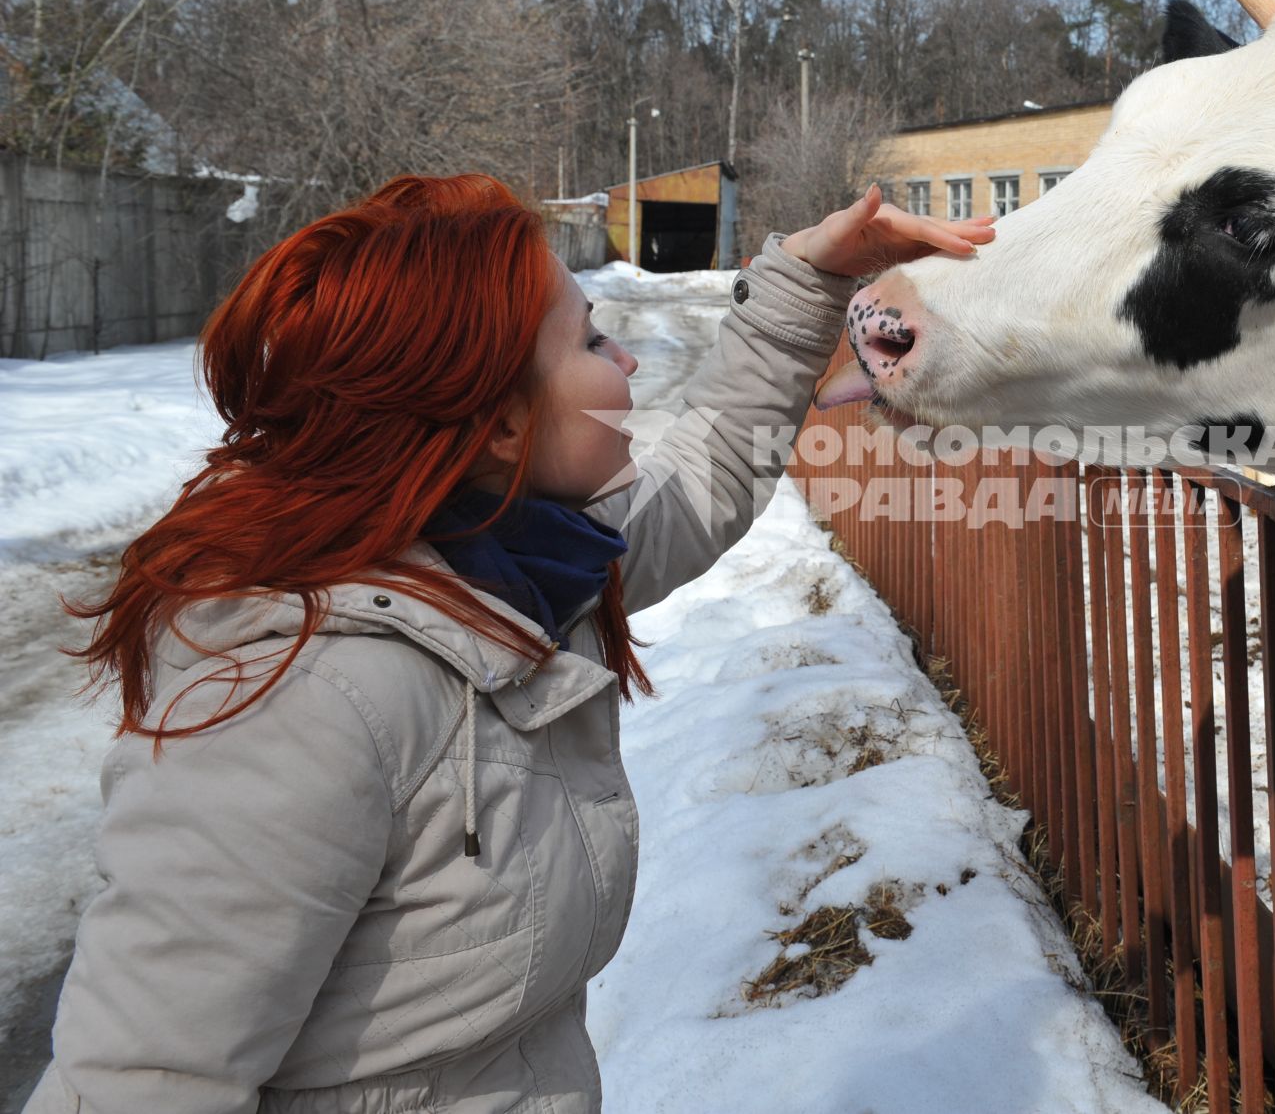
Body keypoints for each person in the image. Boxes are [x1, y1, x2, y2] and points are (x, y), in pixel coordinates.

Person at [25, 173, 993, 1113]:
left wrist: (810, 276)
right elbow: (141, 1079)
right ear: (493, 421)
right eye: (589, 340)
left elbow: (705, 471)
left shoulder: (513, 568)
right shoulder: (302, 697)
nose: (629, 364)